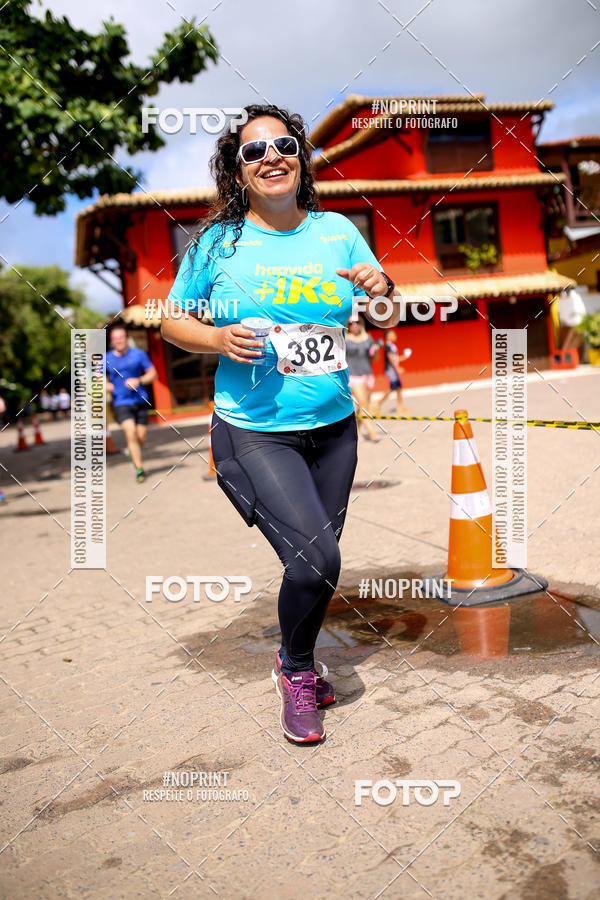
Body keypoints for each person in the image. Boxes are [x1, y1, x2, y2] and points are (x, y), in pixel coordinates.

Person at [161, 103, 401, 743]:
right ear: (238, 170)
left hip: (335, 429)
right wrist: (217, 337)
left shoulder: (337, 232)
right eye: (254, 151)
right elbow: (171, 322)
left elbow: (381, 313)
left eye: (284, 145)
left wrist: (382, 286)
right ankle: (295, 671)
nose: (272, 157)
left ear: (300, 158)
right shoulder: (217, 243)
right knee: (317, 557)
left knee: (317, 565)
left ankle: (298, 658)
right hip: (253, 430)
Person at [105, 326, 157, 483]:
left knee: (140, 437)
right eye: (115, 338)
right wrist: (105, 385)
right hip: (121, 402)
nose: (118, 341)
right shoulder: (106, 358)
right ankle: (139, 469)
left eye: (121, 337)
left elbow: (153, 374)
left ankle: (132, 452)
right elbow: (97, 377)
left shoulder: (138, 354)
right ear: (112, 341)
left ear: (127, 338)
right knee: (130, 432)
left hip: (140, 400)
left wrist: (139, 380)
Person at [346, 316, 380, 442]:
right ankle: (372, 433)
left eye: (357, 322)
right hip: (354, 376)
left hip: (368, 375)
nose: (354, 325)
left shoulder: (368, 338)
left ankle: (357, 431)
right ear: (348, 325)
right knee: (364, 406)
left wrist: (376, 350)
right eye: (351, 323)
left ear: (361, 323)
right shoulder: (345, 340)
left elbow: (375, 358)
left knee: (362, 406)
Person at [373, 331, 411, 415]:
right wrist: (397, 368)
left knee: (399, 386)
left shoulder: (393, 346)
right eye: (393, 335)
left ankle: (400, 407)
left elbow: (395, 358)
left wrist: (405, 356)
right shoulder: (388, 346)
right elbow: (390, 359)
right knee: (392, 387)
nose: (395, 336)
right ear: (387, 336)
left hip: (394, 370)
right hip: (391, 370)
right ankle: (377, 403)